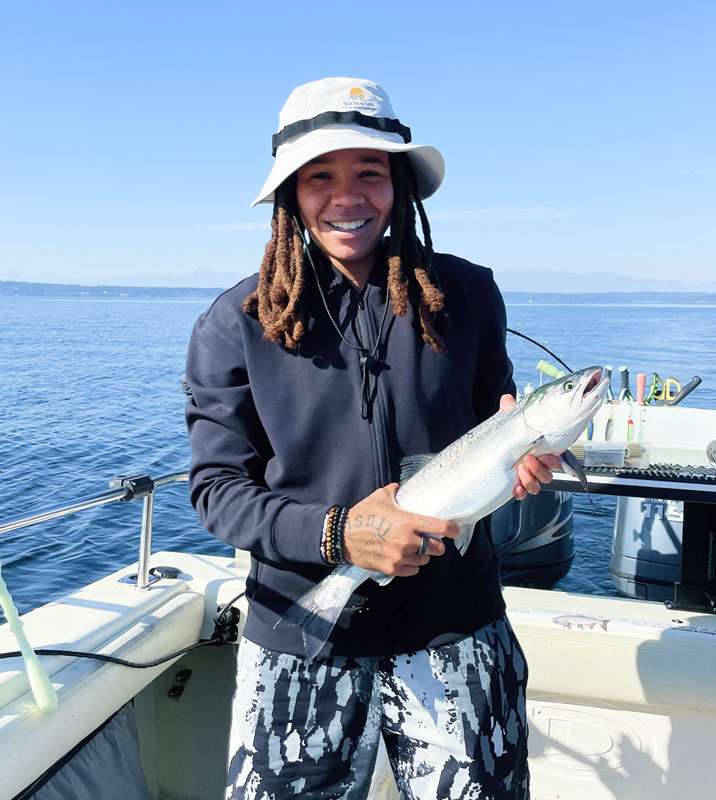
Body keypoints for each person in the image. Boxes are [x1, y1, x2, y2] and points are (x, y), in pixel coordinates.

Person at [184, 77, 560, 800]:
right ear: (291, 192)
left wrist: (531, 459)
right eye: (320, 176)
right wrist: (339, 533)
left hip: (458, 628)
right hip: (297, 631)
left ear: (399, 185)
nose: (347, 196)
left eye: (370, 172)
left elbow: (500, 425)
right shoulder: (234, 322)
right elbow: (217, 493)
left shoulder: (469, 294)